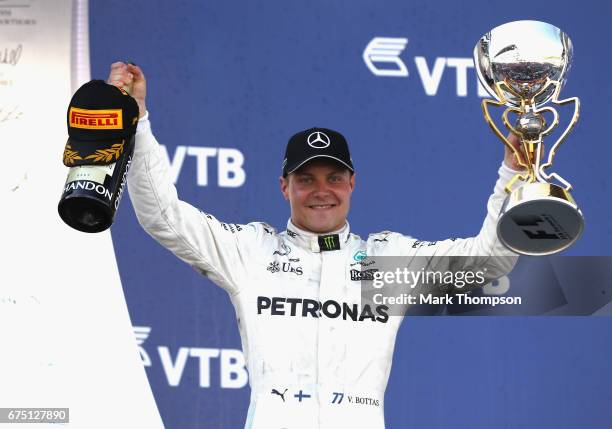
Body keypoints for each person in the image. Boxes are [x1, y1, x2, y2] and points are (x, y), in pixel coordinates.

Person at [108, 62, 519, 429]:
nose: (321, 191)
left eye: (334, 178)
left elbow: (491, 260)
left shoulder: (387, 261)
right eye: (306, 179)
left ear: (352, 184)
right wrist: (139, 122)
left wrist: (514, 171)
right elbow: (162, 216)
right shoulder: (252, 253)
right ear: (285, 186)